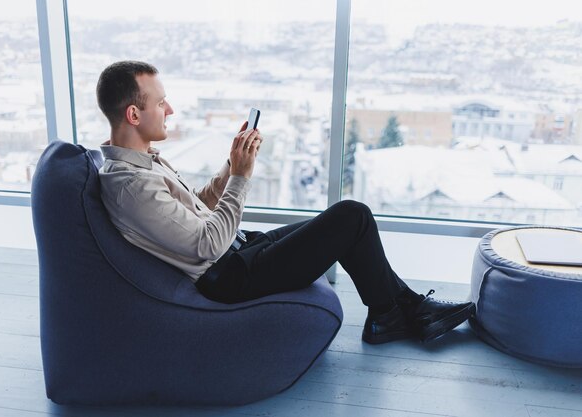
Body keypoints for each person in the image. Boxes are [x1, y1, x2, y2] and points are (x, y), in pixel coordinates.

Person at [96, 60, 475, 344]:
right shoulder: (131, 186)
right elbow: (208, 243)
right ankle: (398, 314)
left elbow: (194, 208)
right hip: (230, 276)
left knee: (346, 224)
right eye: (161, 103)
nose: (170, 110)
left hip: (240, 251)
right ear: (133, 114)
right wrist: (242, 178)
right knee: (351, 216)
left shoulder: (143, 162)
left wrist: (231, 166)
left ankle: (393, 313)